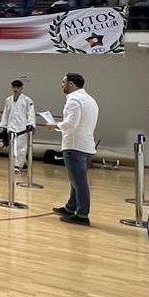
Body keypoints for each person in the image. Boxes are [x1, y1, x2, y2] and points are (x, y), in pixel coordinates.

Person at [53, 72, 100, 226]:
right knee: (76, 181)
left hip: (75, 145)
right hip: (86, 145)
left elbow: (71, 124)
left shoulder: (73, 100)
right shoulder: (90, 100)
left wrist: (55, 125)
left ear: (71, 84)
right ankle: (71, 206)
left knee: (79, 182)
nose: (61, 85)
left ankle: (82, 214)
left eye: (63, 82)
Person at [0, 79, 35, 171]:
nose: (15, 89)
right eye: (14, 87)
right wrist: (4, 125)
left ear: (21, 88)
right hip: (11, 126)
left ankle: (17, 165)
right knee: (13, 147)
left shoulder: (27, 100)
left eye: (18, 87)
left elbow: (30, 113)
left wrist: (30, 124)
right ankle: (22, 164)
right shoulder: (8, 100)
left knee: (21, 147)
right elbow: (5, 113)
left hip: (22, 128)